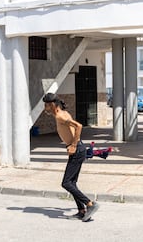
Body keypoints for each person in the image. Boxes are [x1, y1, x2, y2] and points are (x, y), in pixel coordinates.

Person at [42, 93, 99, 222]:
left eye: (46, 105)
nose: (45, 108)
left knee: (66, 183)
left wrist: (73, 145)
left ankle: (90, 204)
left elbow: (78, 126)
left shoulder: (61, 116)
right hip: (78, 150)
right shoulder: (62, 114)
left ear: (52, 105)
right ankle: (82, 211)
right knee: (72, 182)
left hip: (77, 149)